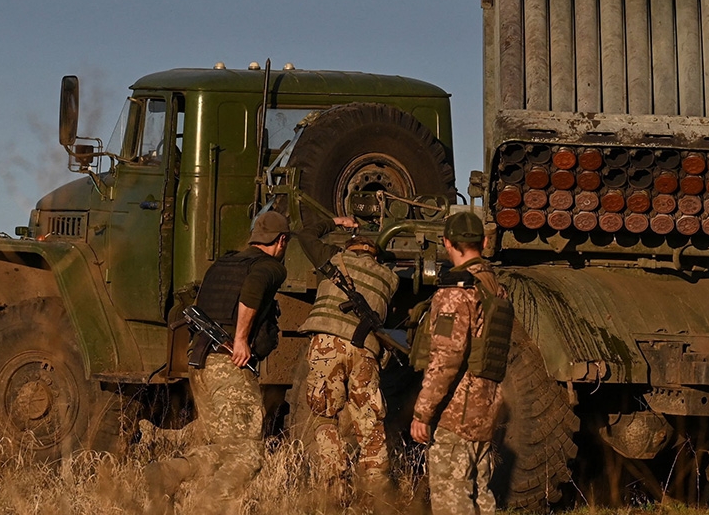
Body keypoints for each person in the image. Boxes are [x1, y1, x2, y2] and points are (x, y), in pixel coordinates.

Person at [145, 210, 293, 513]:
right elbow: (252, 291)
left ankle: (169, 474)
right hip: (228, 365)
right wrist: (240, 339)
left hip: (200, 364)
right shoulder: (270, 267)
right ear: (281, 241)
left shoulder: (223, 264)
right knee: (248, 456)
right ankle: (207, 508)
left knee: (225, 449)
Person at [410, 211, 514, 515]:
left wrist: (422, 412)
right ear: (483, 241)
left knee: (452, 499)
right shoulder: (495, 287)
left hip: (457, 413)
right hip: (486, 407)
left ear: (446, 242)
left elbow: (447, 358)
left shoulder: (457, 293)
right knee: (481, 495)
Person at [294, 217, 400, 503]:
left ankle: (334, 490)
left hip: (327, 343)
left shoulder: (335, 259)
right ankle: (378, 495)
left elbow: (306, 234)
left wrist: (333, 221)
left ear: (351, 247)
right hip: (365, 349)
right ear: (374, 253)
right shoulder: (389, 278)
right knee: (370, 423)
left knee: (324, 417)